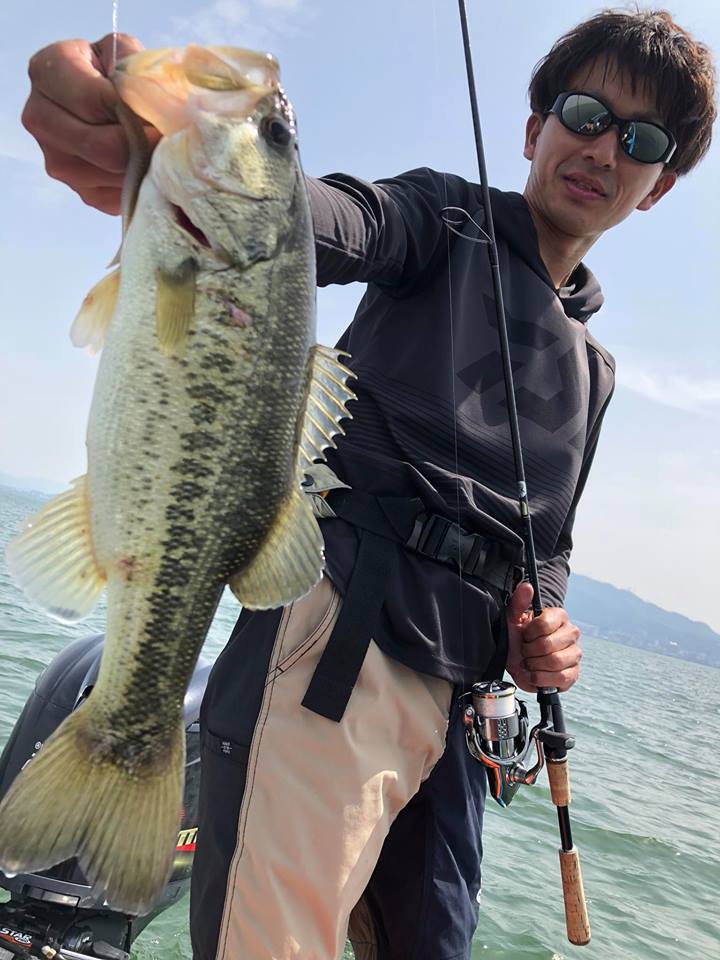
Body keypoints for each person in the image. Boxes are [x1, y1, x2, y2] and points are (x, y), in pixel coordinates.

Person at [20, 8, 715, 959]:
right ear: (534, 129)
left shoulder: (595, 370)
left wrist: (544, 626)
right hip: (341, 650)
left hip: (460, 711)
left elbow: (546, 543)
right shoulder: (441, 220)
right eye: (587, 114)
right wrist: (167, 158)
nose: (604, 148)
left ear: (659, 187)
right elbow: (331, 222)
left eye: (642, 141)